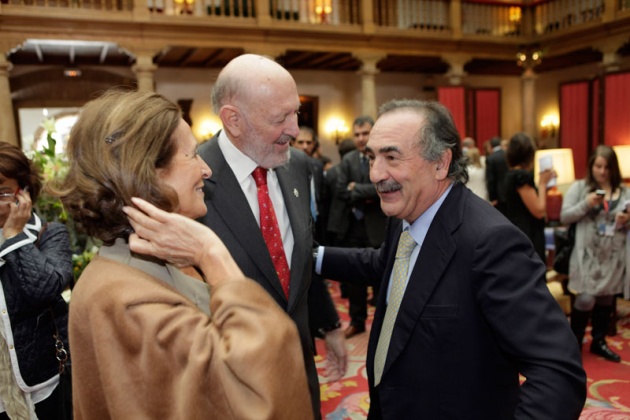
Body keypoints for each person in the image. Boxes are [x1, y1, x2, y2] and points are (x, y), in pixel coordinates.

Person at [316, 99, 586, 418]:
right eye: (371, 157)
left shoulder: (491, 241)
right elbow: (386, 264)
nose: (375, 174)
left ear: (441, 163)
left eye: (391, 157)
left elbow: (558, 373)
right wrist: (312, 256)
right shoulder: (404, 213)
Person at [51, 89, 312, 418]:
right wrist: (212, 254)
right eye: (192, 155)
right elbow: (260, 395)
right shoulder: (127, 301)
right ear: (148, 173)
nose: (207, 170)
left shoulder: (156, 261)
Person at [197, 54, 346, 418]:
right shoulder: (194, 181)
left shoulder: (295, 166)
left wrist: (330, 324)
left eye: (295, 113)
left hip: (299, 361)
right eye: (280, 118)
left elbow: (299, 257)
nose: (295, 130)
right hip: (234, 379)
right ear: (233, 119)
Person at [0, 142, 73, 420]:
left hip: (44, 384)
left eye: (2, 190)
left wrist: (15, 236)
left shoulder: (48, 235)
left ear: (25, 192)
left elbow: (44, 289)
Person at [561, 145, 630, 363]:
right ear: (591, 166)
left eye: (607, 167)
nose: (602, 172)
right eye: (598, 166)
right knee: (586, 297)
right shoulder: (581, 188)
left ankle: (599, 341)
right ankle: (575, 341)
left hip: (613, 252)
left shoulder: (624, 191)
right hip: (587, 253)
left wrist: (625, 220)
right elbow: (564, 216)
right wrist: (586, 204)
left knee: (606, 297)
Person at [331, 115, 387, 339]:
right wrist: (367, 191)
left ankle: (384, 326)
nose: (361, 138)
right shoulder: (348, 160)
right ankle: (357, 321)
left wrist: (359, 190)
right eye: (357, 134)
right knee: (355, 280)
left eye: (365, 133)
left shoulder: (384, 157)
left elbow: (382, 187)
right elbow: (341, 191)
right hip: (353, 227)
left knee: (382, 280)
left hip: (378, 226)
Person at [504, 132, 556, 263]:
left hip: (517, 231)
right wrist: (543, 183)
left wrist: (543, 186)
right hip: (528, 234)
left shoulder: (511, 175)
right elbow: (538, 210)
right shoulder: (521, 176)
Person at [485, 136, 509, 215]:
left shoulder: (491, 158)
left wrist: (493, 197)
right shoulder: (508, 154)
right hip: (510, 190)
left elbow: (491, 179)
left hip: (498, 193)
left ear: (491, 146)